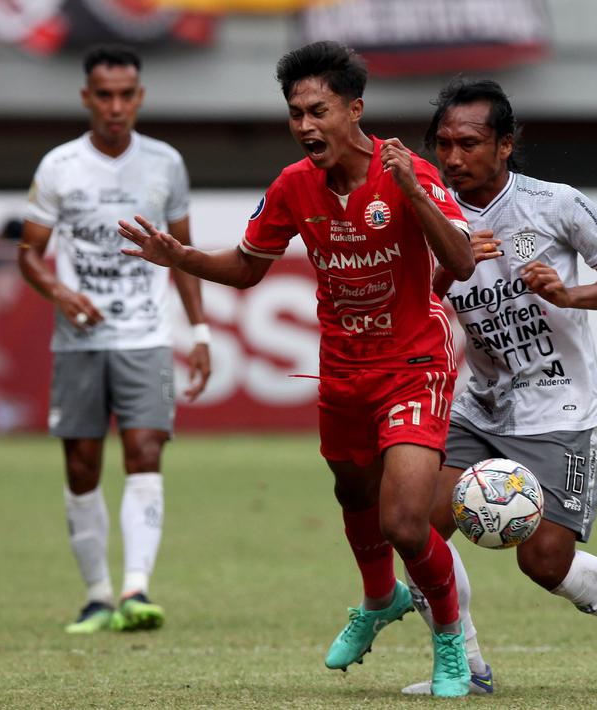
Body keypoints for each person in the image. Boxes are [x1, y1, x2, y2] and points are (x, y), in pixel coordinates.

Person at [118, 41, 478, 696]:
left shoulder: (408, 172)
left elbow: (460, 258)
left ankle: (449, 643)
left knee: (404, 521)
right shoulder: (292, 186)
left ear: (354, 109)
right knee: (350, 493)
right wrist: (178, 256)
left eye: (318, 111)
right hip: (341, 368)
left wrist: (412, 192)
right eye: (295, 114)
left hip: (412, 363)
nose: (306, 126)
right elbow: (247, 268)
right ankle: (377, 600)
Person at [399, 78, 597, 695]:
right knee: (414, 528)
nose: (454, 158)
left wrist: (571, 293)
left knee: (543, 562)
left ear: (506, 145)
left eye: (469, 143)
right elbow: (413, 301)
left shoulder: (557, 203)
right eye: (443, 145)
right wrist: (440, 274)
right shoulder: (429, 210)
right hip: (477, 406)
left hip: (560, 409)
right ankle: (467, 667)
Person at [18, 44, 212, 635]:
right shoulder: (59, 166)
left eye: (126, 95)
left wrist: (198, 330)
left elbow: (181, 255)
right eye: (104, 95)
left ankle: (136, 590)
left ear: (140, 97)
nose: (116, 106)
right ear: (87, 97)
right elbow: (28, 254)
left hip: (146, 339)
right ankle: (97, 595)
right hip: (78, 343)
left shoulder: (165, 164)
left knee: (146, 454)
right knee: (81, 467)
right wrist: (60, 292)